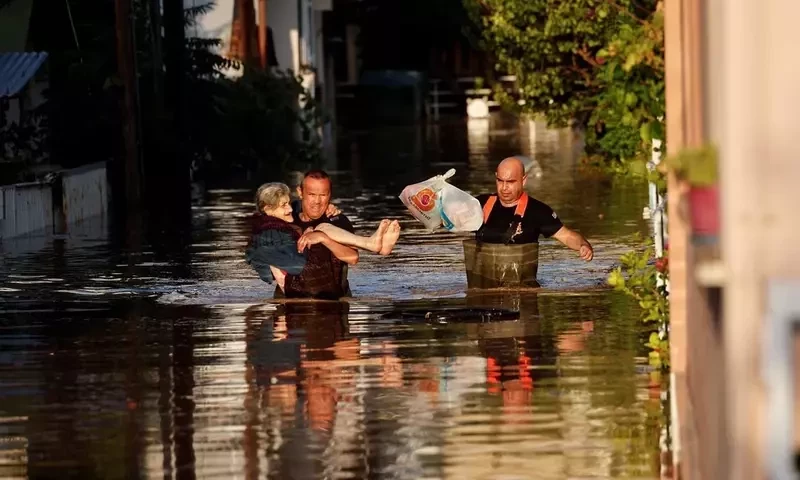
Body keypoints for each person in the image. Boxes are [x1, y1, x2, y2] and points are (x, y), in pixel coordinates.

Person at [245, 182, 400, 299]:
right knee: (322, 230)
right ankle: (372, 245)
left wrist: (327, 209)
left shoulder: (285, 221)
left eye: (289, 203)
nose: (290, 209)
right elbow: (281, 277)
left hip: (318, 284)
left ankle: (374, 245)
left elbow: (300, 207)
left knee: (322, 229)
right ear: (267, 209)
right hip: (301, 290)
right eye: (284, 205)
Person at [475, 156, 593, 261]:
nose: (504, 187)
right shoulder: (479, 204)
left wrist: (584, 245)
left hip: (521, 283)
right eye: (500, 181)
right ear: (496, 178)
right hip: (482, 282)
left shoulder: (538, 211)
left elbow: (566, 236)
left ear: (523, 180)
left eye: (511, 182)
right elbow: (456, 222)